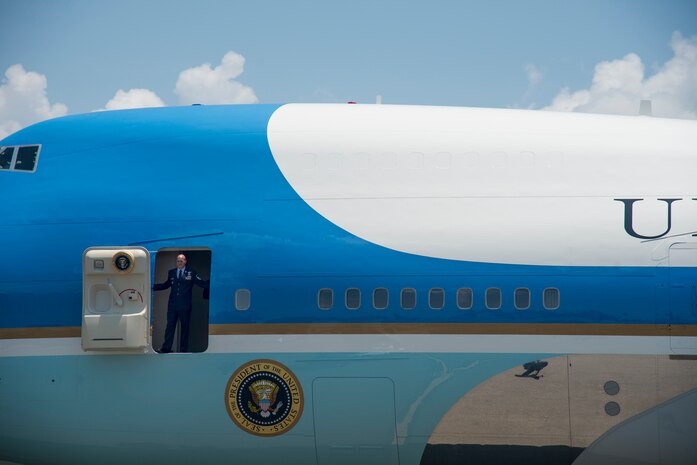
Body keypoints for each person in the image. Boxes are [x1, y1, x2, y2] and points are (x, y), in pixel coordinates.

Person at [153, 253, 208, 353]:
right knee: (170, 327)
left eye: (181, 260)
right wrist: (153, 287)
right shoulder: (172, 272)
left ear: (185, 261)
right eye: (178, 260)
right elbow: (166, 285)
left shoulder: (191, 272)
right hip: (173, 305)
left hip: (185, 305)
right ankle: (166, 348)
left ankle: (183, 350)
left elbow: (200, 283)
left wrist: (210, 285)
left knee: (184, 329)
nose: (179, 262)